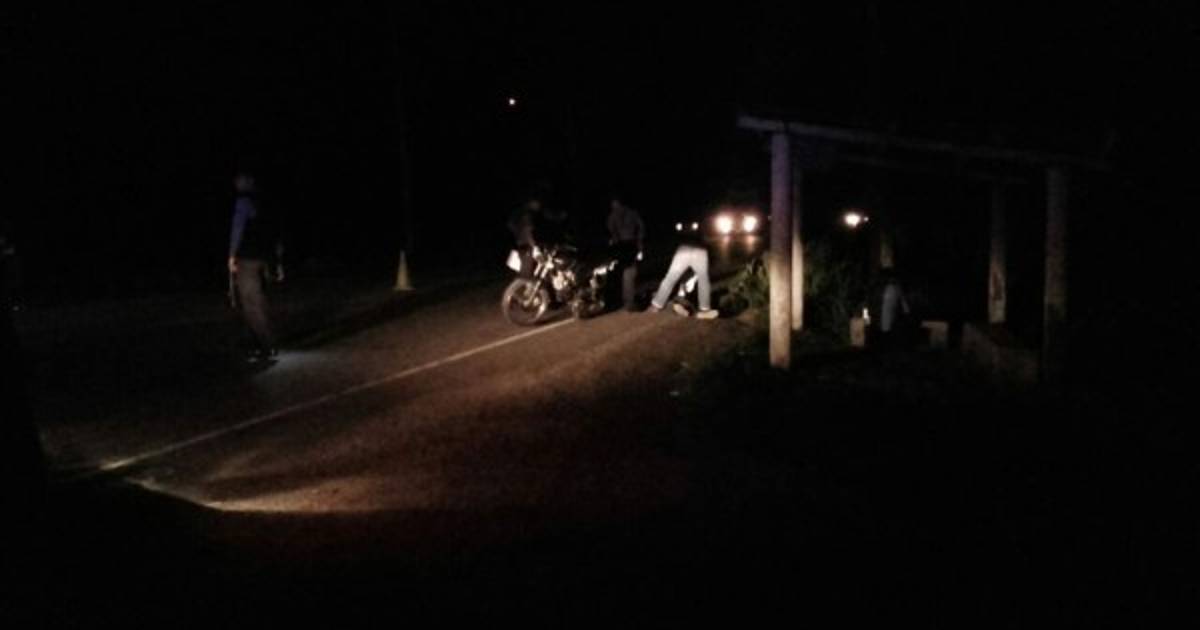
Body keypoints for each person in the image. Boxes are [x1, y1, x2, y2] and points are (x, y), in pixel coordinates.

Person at [228, 171, 284, 361]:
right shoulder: (265, 202)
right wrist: (277, 261)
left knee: (250, 302)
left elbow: (237, 228)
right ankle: (258, 342)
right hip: (264, 258)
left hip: (248, 257)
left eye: (238, 181)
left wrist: (232, 255)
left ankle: (267, 345)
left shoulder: (243, 202)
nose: (236, 184)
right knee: (258, 300)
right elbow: (276, 232)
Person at [647, 229, 718, 320]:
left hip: (685, 248)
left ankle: (656, 306)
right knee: (703, 279)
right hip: (698, 249)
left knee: (671, 278)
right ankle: (704, 310)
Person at [606, 196, 645, 311]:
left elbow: (611, 232)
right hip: (630, 244)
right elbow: (641, 227)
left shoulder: (613, 216)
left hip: (621, 245)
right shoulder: (631, 213)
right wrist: (639, 243)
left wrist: (614, 243)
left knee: (623, 272)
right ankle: (629, 301)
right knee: (629, 272)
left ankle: (624, 300)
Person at [876, 267, 911, 349]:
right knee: (886, 332)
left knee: (888, 332)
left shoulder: (895, 288)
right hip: (886, 318)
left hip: (890, 319)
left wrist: (906, 311)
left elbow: (902, 301)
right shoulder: (891, 288)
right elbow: (903, 301)